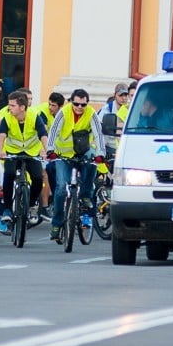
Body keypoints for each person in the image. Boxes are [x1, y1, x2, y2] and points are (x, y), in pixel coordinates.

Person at [46, 89, 106, 243]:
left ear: (87, 103)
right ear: (70, 101)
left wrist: (101, 154)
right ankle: (57, 224)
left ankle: (85, 195)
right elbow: (53, 130)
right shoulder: (63, 112)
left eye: (83, 104)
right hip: (63, 155)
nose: (79, 107)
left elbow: (98, 134)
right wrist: (50, 149)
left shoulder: (91, 113)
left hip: (83, 151)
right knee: (60, 189)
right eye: (76, 103)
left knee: (93, 161)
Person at [0, 90, 48, 233]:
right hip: (12, 152)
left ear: (22, 107)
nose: (9, 108)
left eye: (12, 105)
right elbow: (1, 136)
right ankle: (7, 210)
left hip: (31, 152)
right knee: (9, 175)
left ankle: (32, 205)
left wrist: (47, 151)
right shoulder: (7, 118)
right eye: (9, 105)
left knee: (37, 178)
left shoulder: (34, 117)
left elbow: (43, 135)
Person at [97, 83, 129, 152]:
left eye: (126, 95)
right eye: (120, 95)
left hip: (124, 147)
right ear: (114, 95)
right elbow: (98, 130)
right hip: (108, 148)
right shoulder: (106, 110)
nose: (124, 98)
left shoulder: (130, 109)